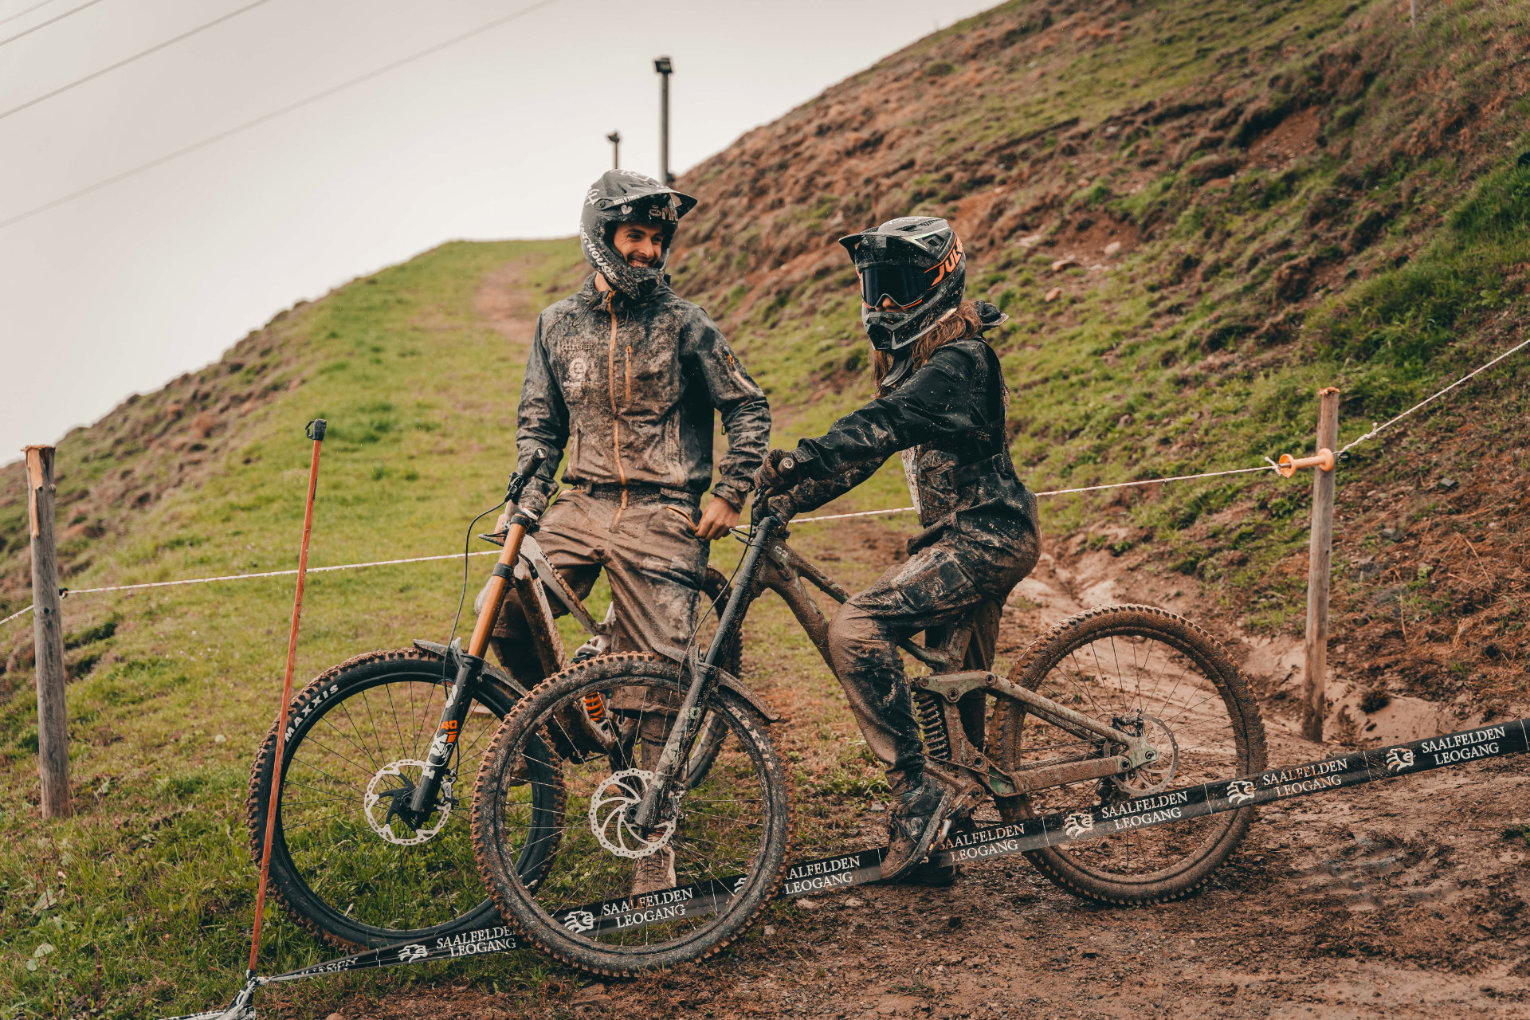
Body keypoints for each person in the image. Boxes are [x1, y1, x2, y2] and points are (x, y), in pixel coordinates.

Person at [483, 169, 771, 894]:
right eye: (634, 234)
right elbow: (540, 427)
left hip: (662, 509)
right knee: (510, 601)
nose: (646, 250)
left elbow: (749, 410)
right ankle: (542, 735)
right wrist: (525, 497)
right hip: (579, 505)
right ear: (600, 234)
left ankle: (652, 830)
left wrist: (731, 491)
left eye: (655, 238)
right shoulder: (557, 324)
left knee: (657, 669)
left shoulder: (687, 323)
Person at [754, 216, 1039, 883]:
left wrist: (808, 455)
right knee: (950, 690)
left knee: (856, 627)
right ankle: (943, 833)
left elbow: (885, 427)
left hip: (986, 537)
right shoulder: (920, 360)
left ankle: (918, 793)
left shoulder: (959, 361)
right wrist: (793, 494)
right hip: (963, 537)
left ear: (939, 283)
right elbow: (870, 453)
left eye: (899, 288)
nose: (883, 305)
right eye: (875, 288)